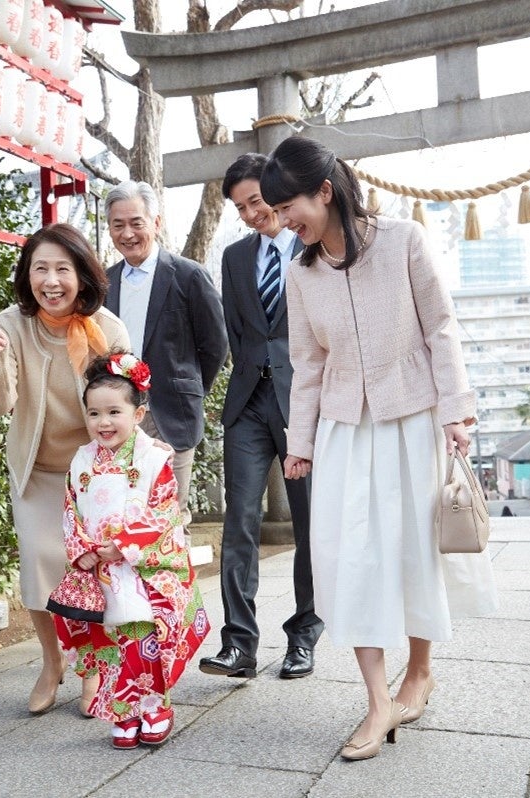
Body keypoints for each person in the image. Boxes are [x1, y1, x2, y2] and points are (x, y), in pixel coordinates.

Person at [260, 136, 498, 761]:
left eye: (290, 209)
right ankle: (376, 702)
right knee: (353, 559)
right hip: (343, 428)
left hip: (412, 419)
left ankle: (418, 672)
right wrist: (300, 442)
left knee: (413, 549)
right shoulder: (299, 271)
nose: (285, 223)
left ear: (325, 192)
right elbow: (306, 363)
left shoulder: (402, 241)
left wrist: (456, 412)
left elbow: (440, 327)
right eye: (277, 213)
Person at [0, 223, 130, 717]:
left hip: (94, 473)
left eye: (63, 268)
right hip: (38, 470)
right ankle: (50, 662)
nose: (52, 280)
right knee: (41, 563)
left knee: (93, 568)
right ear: (28, 275)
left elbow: (126, 403)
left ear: (82, 275)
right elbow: (2, 405)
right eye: (40, 268)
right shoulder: (11, 324)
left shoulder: (108, 329)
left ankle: (94, 665)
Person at [199, 154, 324, 681]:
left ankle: (303, 635)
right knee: (240, 522)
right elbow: (236, 331)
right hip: (249, 402)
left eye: (256, 201)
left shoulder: (314, 246)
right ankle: (239, 644)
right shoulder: (232, 258)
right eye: (241, 207)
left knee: (309, 525)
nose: (252, 214)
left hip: (305, 403)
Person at [54, 352, 210, 749]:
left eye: (113, 412)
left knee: (143, 634)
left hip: (143, 566)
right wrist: (84, 550)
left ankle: (156, 707)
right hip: (99, 567)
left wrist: (122, 545)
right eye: (93, 413)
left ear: (138, 414)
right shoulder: (81, 460)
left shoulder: (155, 458)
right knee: (111, 640)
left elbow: (162, 511)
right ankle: (123, 710)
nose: (103, 423)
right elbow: (71, 508)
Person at [101, 181, 228, 527]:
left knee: (169, 518)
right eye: (118, 224)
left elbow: (215, 345)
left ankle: (177, 584)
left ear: (155, 223)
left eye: (136, 222)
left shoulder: (188, 276)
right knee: (122, 519)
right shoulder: (104, 282)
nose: (127, 233)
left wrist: (189, 388)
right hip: (119, 416)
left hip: (171, 415)